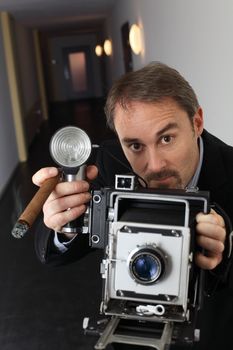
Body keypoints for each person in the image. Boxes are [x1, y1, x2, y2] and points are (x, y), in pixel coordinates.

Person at [33, 62, 233, 349]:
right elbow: (54, 255)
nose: (154, 165)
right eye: (135, 146)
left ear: (197, 122)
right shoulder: (110, 162)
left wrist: (226, 253)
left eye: (166, 138)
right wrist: (64, 223)